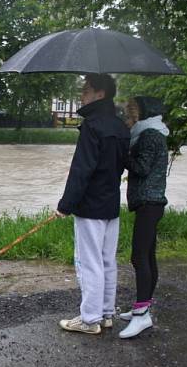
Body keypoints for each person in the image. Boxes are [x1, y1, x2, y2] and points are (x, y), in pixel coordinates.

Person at [56, 74, 130, 335]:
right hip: (111, 204)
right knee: (107, 260)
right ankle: (106, 314)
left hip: (90, 207)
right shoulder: (121, 127)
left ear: (101, 94)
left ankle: (89, 319)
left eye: (86, 90)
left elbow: (81, 170)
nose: (81, 95)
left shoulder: (92, 125)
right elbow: (123, 166)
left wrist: (65, 204)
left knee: (89, 263)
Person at [118, 96, 169, 339]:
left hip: (149, 202)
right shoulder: (154, 132)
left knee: (139, 257)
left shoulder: (148, 135)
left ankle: (142, 315)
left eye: (131, 114)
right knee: (148, 255)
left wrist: (121, 154)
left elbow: (141, 167)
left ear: (141, 114)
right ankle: (143, 306)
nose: (129, 119)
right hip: (152, 203)